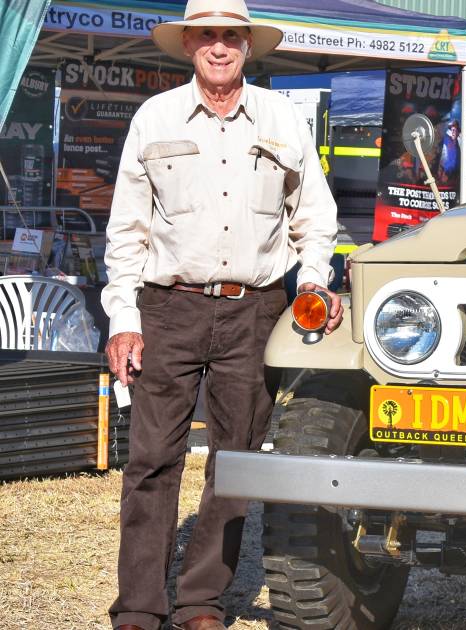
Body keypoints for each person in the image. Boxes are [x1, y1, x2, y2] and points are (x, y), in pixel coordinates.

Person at [101, 1, 342, 628]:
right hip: (167, 308)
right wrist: (123, 316)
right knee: (152, 459)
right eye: (206, 35)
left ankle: (202, 600)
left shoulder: (281, 117)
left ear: (247, 46)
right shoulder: (154, 118)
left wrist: (313, 280)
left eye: (230, 36)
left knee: (235, 460)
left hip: (256, 311)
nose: (218, 46)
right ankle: (139, 606)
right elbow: (126, 231)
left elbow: (314, 217)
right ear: (188, 46)